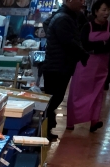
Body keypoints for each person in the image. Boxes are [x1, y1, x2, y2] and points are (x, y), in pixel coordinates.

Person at [42, 0, 89, 140]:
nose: (82, 2)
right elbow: (69, 42)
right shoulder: (63, 18)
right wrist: (83, 54)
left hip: (58, 65)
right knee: (53, 100)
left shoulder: (66, 15)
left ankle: (46, 130)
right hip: (57, 66)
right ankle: (43, 130)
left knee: (54, 99)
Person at [68, 0, 110, 132]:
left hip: (102, 66)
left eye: (108, 10)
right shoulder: (87, 26)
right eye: (103, 10)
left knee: (97, 94)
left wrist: (99, 46)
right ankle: (71, 121)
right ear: (96, 11)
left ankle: (94, 121)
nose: (106, 13)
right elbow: (85, 45)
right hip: (85, 64)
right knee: (78, 94)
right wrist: (102, 44)